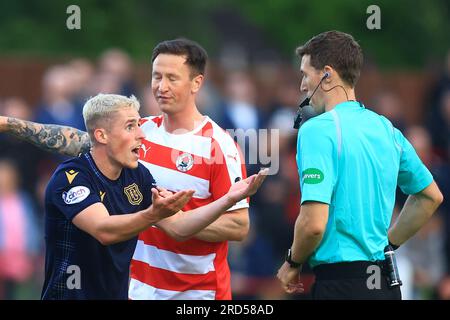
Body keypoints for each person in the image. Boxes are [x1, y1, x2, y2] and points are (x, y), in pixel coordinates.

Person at [0, 39, 252, 300]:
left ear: (197, 83)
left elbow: (238, 226)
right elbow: (80, 139)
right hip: (137, 289)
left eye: (172, 78)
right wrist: (9, 124)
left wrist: (167, 218)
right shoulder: (140, 132)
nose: (161, 87)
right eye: (157, 76)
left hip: (196, 294)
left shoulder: (218, 145)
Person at [37, 93, 267, 299]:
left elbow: (179, 227)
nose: (141, 134)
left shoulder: (137, 176)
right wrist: (152, 214)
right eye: (130, 127)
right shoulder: (70, 177)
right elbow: (104, 230)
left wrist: (228, 200)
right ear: (102, 135)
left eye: (139, 124)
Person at [276, 30, 444, 300]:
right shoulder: (386, 128)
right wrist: (389, 244)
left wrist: (292, 263)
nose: (302, 86)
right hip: (385, 283)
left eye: (306, 74)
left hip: (341, 285)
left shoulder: (316, 130)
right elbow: (430, 197)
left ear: (327, 75)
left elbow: (313, 224)